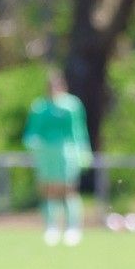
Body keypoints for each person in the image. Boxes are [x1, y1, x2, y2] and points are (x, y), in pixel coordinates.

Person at [23, 68, 92, 246]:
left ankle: (73, 228)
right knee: (48, 190)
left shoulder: (71, 106)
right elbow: (32, 131)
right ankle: (51, 227)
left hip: (66, 152)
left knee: (68, 189)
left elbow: (78, 131)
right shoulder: (39, 107)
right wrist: (32, 143)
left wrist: (83, 151)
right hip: (47, 153)